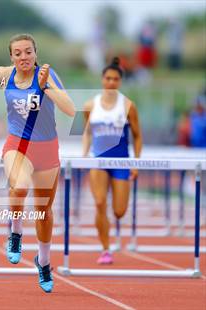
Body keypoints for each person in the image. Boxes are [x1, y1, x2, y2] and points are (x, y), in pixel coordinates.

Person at [0, 33, 75, 292]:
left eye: (28, 52)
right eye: (18, 53)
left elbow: (70, 109)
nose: (23, 57)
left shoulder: (47, 75)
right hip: (18, 144)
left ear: (35, 53)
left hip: (47, 149)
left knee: (44, 211)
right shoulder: (4, 74)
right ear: (11, 57)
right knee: (18, 186)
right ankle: (15, 232)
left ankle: (44, 261)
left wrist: (46, 87)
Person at [82, 57, 142, 265]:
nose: (111, 82)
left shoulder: (128, 106)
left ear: (120, 81)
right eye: (108, 78)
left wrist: (136, 162)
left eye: (115, 79)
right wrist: (84, 157)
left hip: (121, 162)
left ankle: (106, 227)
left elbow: (137, 135)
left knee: (119, 211)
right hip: (97, 161)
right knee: (99, 203)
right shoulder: (90, 105)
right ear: (102, 79)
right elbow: (87, 132)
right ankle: (105, 249)